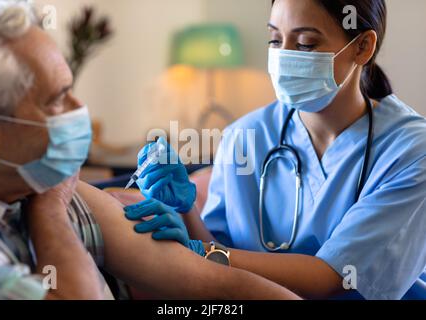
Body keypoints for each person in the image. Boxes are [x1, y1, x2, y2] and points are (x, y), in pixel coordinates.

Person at [0, 0, 300, 300]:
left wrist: (197, 239)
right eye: (57, 98)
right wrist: (51, 208)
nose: (79, 108)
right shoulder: (51, 196)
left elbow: (221, 285)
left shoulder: (36, 186)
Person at [128, 0, 426, 300]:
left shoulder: (410, 151)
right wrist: (186, 211)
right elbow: (219, 252)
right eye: (275, 39)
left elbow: (332, 277)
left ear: (361, 46)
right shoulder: (244, 137)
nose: (284, 56)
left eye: (306, 43)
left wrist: (205, 254)